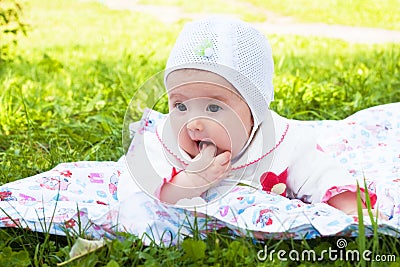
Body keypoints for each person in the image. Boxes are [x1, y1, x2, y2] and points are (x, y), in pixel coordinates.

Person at [125, 16, 388, 217]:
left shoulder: (280, 144)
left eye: (214, 108)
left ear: (254, 112)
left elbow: (319, 174)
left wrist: (349, 206)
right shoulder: (163, 143)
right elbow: (144, 196)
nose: (193, 123)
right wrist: (192, 180)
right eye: (180, 106)